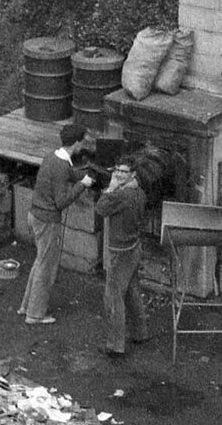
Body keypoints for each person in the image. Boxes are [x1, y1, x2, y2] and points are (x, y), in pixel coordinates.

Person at [18, 123, 95, 325]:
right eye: (82, 142)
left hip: (35, 214)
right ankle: (35, 315)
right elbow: (61, 202)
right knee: (46, 267)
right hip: (47, 220)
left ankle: (27, 306)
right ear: (76, 142)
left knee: (40, 262)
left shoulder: (52, 156)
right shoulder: (61, 165)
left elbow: (68, 173)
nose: (83, 146)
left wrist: (87, 175)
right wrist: (82, 185)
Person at [93, 157, 149, 356]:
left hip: (120, 252)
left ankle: (115, 346)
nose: (118, 174)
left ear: (133, 174)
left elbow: (100, 209)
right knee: (132, 291)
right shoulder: (139, 192)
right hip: (134, 247)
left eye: (124, 172)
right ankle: (140, 333)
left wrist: (110, 188)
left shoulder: (121, 195)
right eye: (116, 170)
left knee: (113, 298)